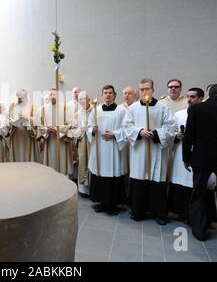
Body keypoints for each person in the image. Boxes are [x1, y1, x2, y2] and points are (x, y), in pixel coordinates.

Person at [183, 84, 217, 241]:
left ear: (209, 94)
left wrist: (186, 157)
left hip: (201, 156)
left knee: (198, 193)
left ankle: (199, 230)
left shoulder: (196, 109)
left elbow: (188, 136)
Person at [123, 78, 174, 225]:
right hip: (139, 151)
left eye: (147, 89)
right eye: (141, 89)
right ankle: (138, 210)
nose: (144, 92)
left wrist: (156, 133)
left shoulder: (162, 107)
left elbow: (170, 126)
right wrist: (139, 132)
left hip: (157, 150)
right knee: (139, 179)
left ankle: (158, 213)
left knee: (156, 179)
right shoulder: (132, 108)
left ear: (153, 90)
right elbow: (127, 126)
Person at [88, 85, 128, 215]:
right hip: (99, 148)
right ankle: (102, 202)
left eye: (110, 93)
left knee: (113, 174)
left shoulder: (122, 111)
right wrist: (92, 130)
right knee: (100, 173)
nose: (108, 95)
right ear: (102, 95)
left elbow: (127, 129)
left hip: (114, 148)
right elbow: (88, 126)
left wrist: (115, 134)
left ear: (115, 95)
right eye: (105, 93)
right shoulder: (95, 110)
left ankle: (113, 204)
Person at [168, 87, 205, 223]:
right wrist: (176, 136)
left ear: (201, 98)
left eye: (193, 97)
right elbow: (171, 132)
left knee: (195, 184)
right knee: (180, 182)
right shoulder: (179, 114)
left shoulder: (205, 113)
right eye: (188, 96)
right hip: (180, 152)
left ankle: (194, 215)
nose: (189, 99)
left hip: (198, 152)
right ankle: (179, 211)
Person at [37, 88, 75, 176]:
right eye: (50, 94)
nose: (52, 96)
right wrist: (46, 129)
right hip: (49, 140)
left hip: (62, 141)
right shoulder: (42, 109)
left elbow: (70, 123)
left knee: (62, 165)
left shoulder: (65, 107)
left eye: (54, 94)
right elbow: (39, 125)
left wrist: (58, 129)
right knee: (51, 167)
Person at [0, 89, 38, 162]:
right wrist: (12, 123)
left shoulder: (32, 105)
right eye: (18, 97)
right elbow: (8, 119)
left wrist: (27, 118)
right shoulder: (12, 106)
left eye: (21, 98)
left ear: (26, 96)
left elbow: (37, 119)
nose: (19, 99)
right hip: (15, 135)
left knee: (27, 157)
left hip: (27, 136)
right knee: (16, 157)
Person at [67, 90, 93, 197]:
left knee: (93, 163)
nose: (82, 101)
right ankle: (83, 189)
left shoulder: (95, 111)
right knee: (82, 163)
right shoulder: (77, 114)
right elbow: (71, 129)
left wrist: (90, 129)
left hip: (93, 142)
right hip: (82, 141)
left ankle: (93, 189)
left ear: (89, 99)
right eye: (80, 99)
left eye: (84, 98)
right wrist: (80, 130)